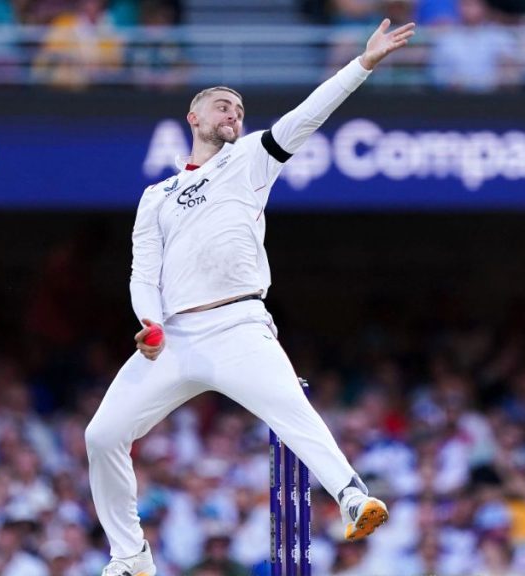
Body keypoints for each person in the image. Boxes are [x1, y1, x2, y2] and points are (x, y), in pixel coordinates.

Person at [84, 18, 416, 576]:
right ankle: (130, 556)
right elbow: (144, 272)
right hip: (175, 338)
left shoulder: (251, 160)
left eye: (238, 109)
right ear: (193, 118)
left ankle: (353, 497)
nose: (232, 115)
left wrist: (363, 64)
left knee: (291, 411)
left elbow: (309, 113)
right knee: (102, 435)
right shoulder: (156, 196)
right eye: (221, 106)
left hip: (239, 325)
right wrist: (149, 322)